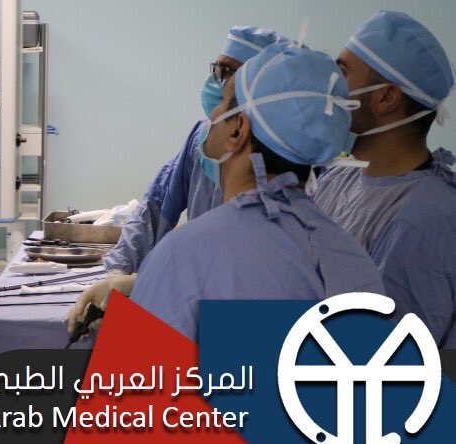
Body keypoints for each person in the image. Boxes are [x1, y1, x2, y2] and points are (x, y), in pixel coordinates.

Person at [93, 43, 384, 341]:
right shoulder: (354, 262)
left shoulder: (183, 258)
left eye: (223, 101)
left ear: (237, 130)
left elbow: (143, 372)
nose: (214, 112)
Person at [77, 27, 289, 317]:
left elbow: (245, 279)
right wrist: (118, 271)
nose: (215, 82)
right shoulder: (203, 138)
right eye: (216, 69)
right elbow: (155, 206)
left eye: (226, 72)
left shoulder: (278, 179)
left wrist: (144, 288)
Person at [314, 11, 456, 348]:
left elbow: (379, 357)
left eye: (342, 72)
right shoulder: (337, 180)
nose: (330, 86)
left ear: (386, 98)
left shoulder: (423, 220)